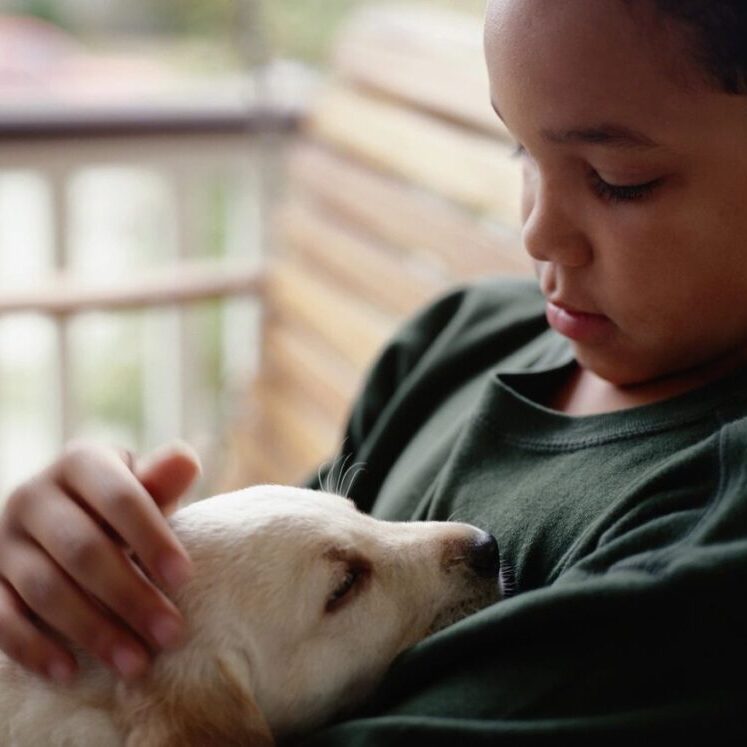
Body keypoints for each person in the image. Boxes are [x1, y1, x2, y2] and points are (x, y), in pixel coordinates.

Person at [2, 0, 747, 742]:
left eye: (617, 179)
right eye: (520, 150)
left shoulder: (707, 540)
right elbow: (266, 616)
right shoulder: (453, 340)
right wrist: (69, 577)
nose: (536, 231)